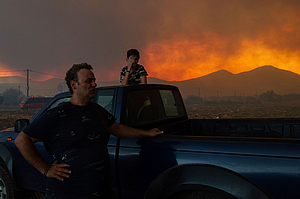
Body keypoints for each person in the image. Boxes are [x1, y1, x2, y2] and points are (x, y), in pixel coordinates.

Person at [15, 63, 163, 199]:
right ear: (74, 85)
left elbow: (116, 128)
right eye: (88, 81)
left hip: (100, 190)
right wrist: (46, 170)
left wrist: (146, 133)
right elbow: (22, 140)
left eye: (94, 80)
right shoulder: (57, 114)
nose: (94, 84)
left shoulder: (97, 111)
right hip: (68, 192)